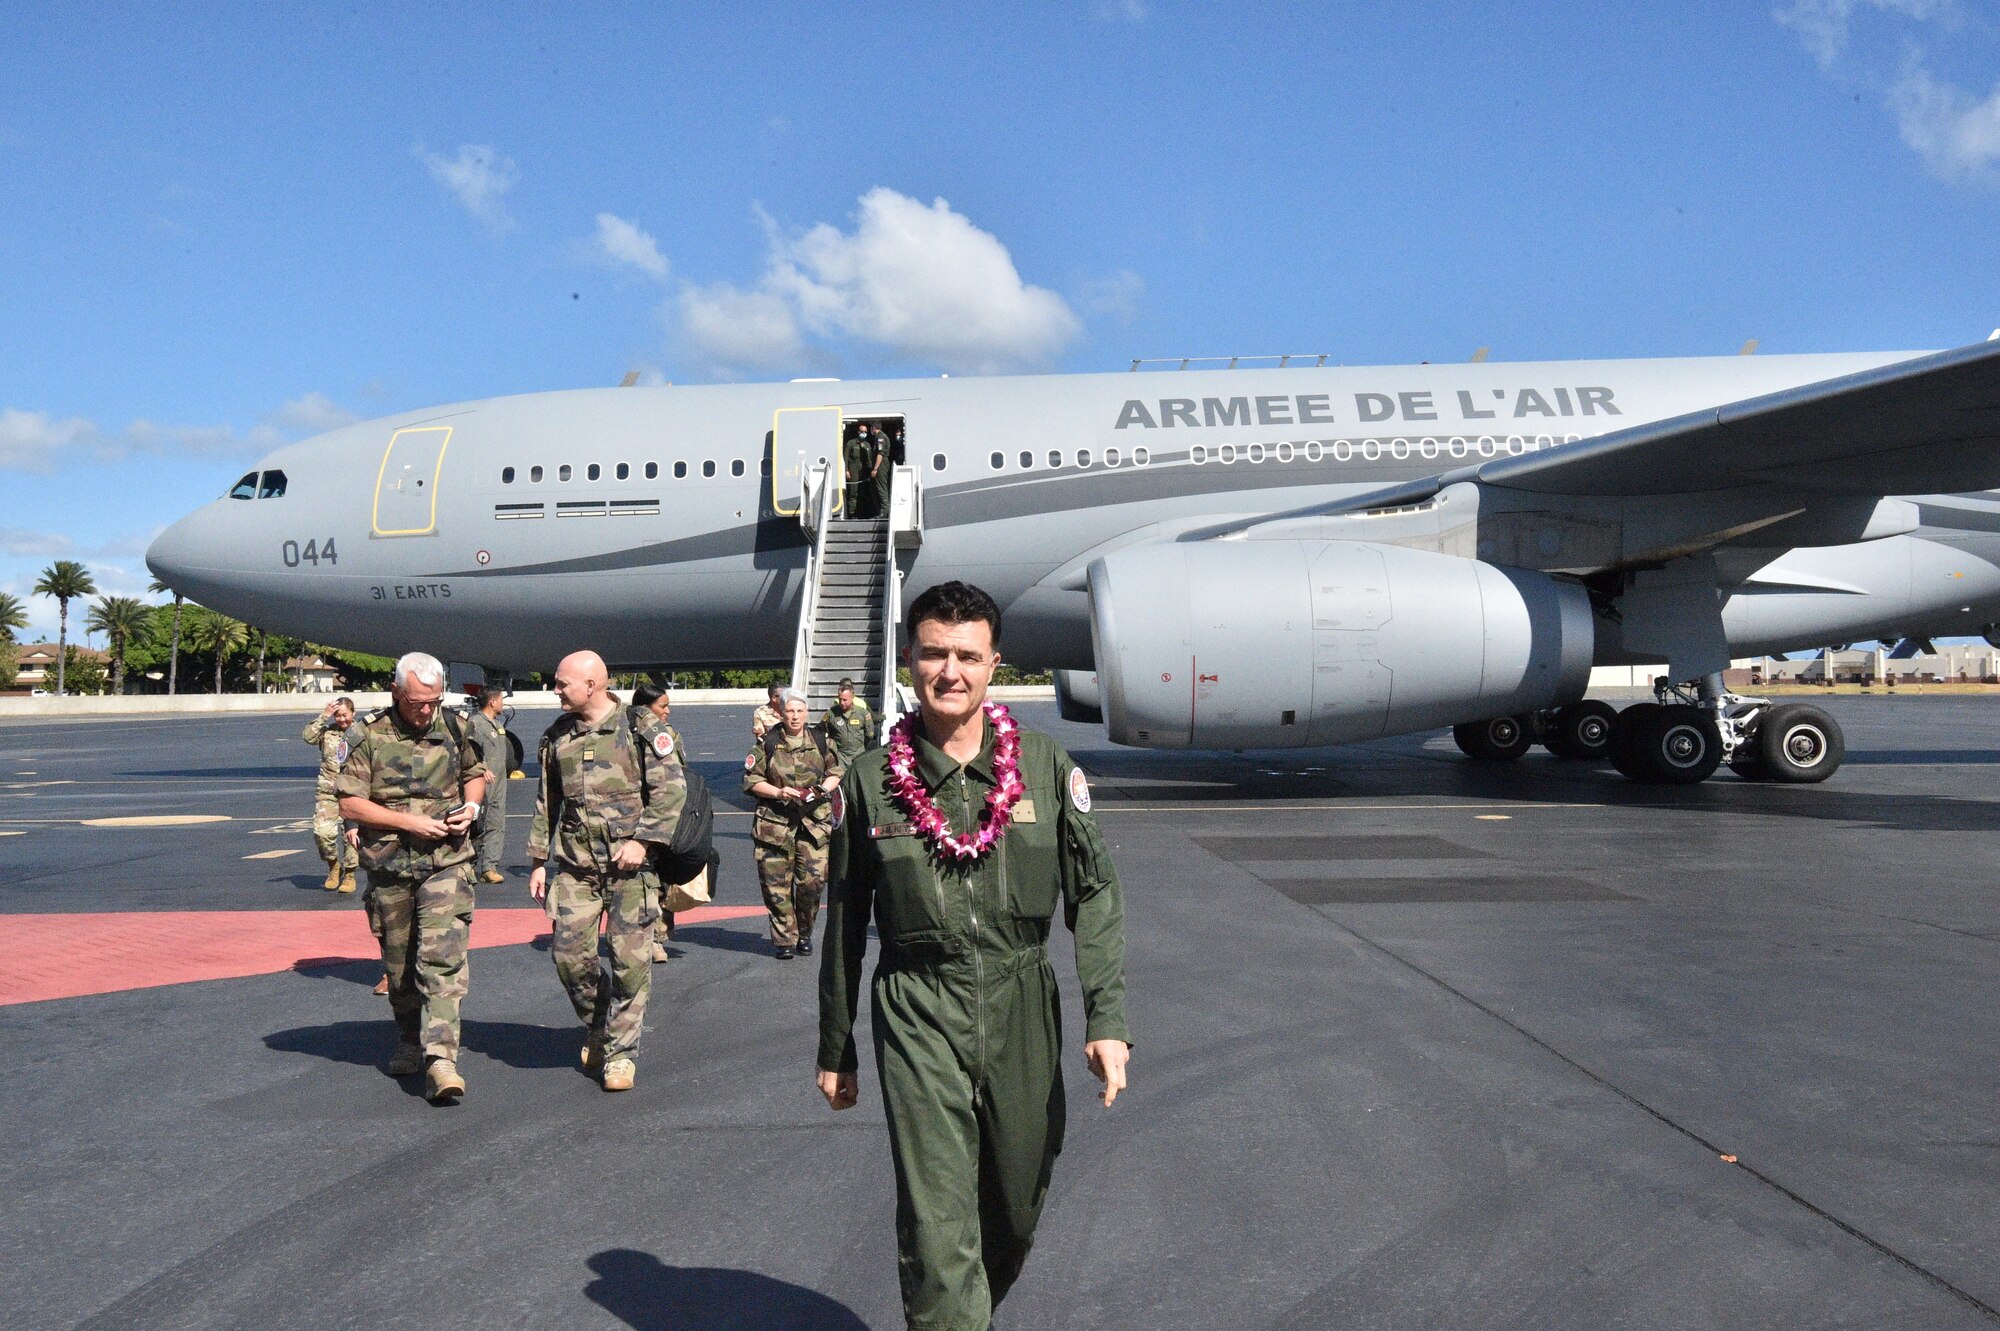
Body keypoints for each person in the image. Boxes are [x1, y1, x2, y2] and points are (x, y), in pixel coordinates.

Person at [817, 581, 1131, 1331]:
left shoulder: (1048, 768)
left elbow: (1097, 894)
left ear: (994, 664)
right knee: (935, 1215)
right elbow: (842, 921)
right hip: (919, 1005)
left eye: (966, 654)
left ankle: (962, 1308)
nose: (948, 670)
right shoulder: (869, 783)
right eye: (933, 653)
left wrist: (1107, 1017)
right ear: (910, 659)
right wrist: (837, 1046)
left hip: (1023, 1000)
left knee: (1017, 1204)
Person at [528, 651, 686, 1092]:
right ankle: (599, 1025)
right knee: (569, 957)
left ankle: (621, 1055)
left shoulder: (641, 729)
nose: (555, 690)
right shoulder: (557, 736)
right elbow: (547, 803)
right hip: (576, 868)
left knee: (629, 965)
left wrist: (643, 841)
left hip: (630, 870)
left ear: (592, 685)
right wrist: (539, 862)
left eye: (562, 684)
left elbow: (671, 789)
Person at [337, 653, 489, 1103]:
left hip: (446, 861)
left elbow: (475, 774)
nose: (426, 711)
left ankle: (441, 1059)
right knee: (399, 966)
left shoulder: (457, 726)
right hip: (389, 867)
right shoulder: (366, 734)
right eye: (418, 702)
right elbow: (349, 804)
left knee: (441, 959)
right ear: (396, 692)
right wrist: (409, 824)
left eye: (434, 701)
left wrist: (472, 807)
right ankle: (409, 1038)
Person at [744, 688, 843, 959]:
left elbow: (836, 771)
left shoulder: (821, 740)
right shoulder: (767, 743)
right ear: (781, 712)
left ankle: (805, 932)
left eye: (800, 711)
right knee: (776, 886)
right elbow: (752, 780)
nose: (795, 716)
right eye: (790, 711)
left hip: (813, 825)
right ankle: (784, 939)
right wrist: (778, 792)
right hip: (775, 824)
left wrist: (822, 789)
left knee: (812, 883)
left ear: (806, 713)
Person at [631, 682, 686, 962]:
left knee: (665, 879)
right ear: (645, 707)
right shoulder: (636, 731)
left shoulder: (666, 734)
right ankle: (653, 939)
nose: (668, 711)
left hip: (664, 819)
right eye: (662, 706)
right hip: (642, 819)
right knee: (647, 880)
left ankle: (660, 932)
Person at [302, 696, 359, 892]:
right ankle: (334, 866)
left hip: (353, 792)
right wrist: (324, 716)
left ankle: (350, 874)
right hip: (328, 792)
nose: (341, 719)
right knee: (321, 832)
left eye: (345, 715)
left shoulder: (363, 733)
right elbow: (308, 736)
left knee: (351, 836)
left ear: (353, 713)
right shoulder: (327, 733)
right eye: (337, 715)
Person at [464, 686, 512, 885]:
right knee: (476, 824)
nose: (503, 703)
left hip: (499, 782)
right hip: (481, 782)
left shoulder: (497, 724)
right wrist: (481, 769)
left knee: (496, 822)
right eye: (500, 699)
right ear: (492, 702)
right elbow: (467, 750)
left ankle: (490, 867)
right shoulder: (475, 724)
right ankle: (468, 866)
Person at [818, 677, 877, 764]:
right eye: (840, 699)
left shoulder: (863, 714)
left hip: (858, 755)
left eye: (845, 700)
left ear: (852, 697)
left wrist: (858, 745)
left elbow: (869, 735)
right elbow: (821, 729)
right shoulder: (832, 713)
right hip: (839, 756)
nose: (842, 702)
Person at [842, 423, 875, 518]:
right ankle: (852, 514)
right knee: (853, 492)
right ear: (858, 432)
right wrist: (846, 470)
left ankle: (862, 513)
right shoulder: (851, 443)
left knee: (864, 492)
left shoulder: (868, 445)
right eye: (862, 431)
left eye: (865, 432)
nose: (864, 433)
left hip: (865, 470)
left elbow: (870, 459)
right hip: (853, 469)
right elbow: (845, 458)